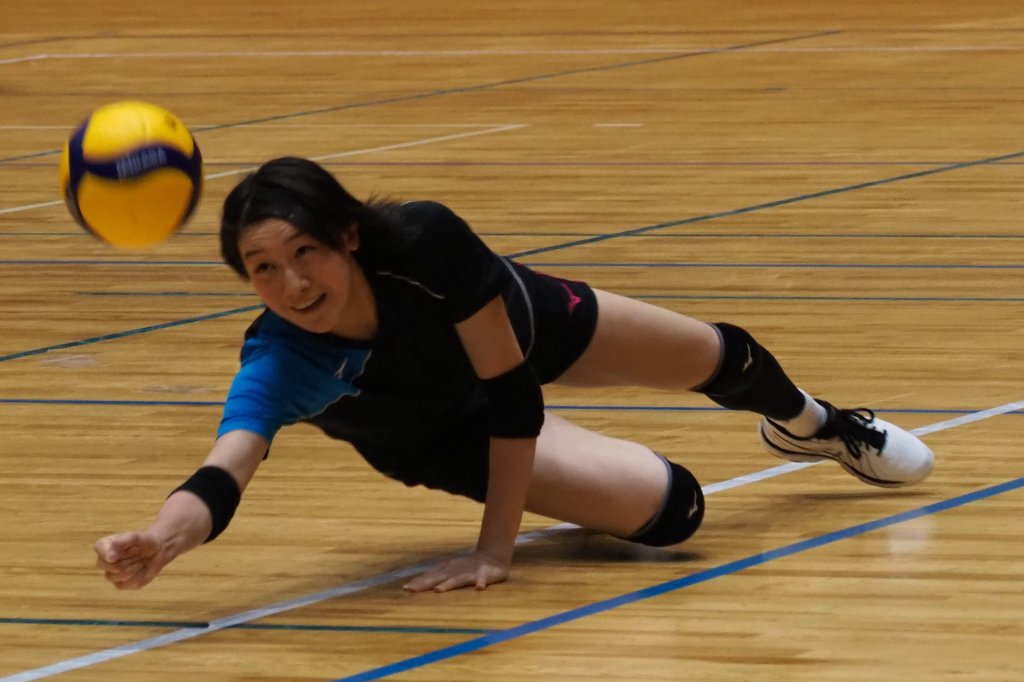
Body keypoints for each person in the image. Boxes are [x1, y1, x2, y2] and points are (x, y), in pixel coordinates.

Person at [94, 157, 935, 593]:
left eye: (304, 252)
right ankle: (573, 467)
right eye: (263, 269)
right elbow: (224, 470)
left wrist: (495, 551)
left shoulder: (423, 244)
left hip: (518, 336)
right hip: (443, 432)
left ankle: (816, 427)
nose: (293, 285)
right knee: (676, 512)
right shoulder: (284, 359)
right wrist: (162, 538)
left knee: (721, 357)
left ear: (348, 236)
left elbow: (511, 389)